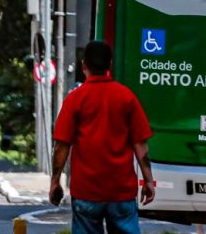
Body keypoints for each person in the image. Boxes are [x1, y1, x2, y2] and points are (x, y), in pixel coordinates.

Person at [50, 41, 155, 234]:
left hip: (86, 192)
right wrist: (149, 181)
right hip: (121, 192)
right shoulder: (126, 97)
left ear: (84, 66)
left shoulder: (75, 99)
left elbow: (61, 145)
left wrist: (55, 181)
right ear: (110, 65)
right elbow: (140, 145)